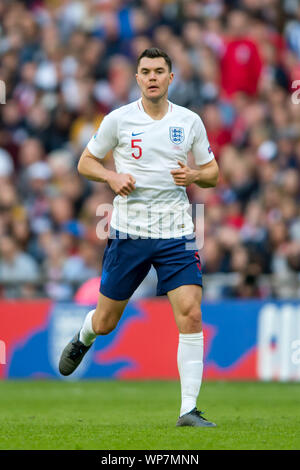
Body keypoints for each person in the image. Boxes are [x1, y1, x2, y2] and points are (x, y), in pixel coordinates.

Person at [59, 48, 219, 427]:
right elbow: (85, 162)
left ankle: (188, 410)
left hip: (177, 231)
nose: (152, 77)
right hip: (129, 232)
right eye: (145, 71)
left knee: (191, 314)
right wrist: (112, 177)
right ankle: (84, 335)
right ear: (137, 78)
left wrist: (194, 175)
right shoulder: (118, 120)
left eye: (159, 71)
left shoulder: (189, 121)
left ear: (170, 78)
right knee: (106, 320)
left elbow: (212, 172)